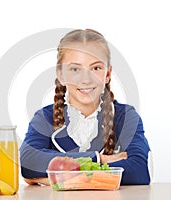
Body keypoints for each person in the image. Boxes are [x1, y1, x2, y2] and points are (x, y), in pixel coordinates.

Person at [19, 29, 152, 185]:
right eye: (75, 69)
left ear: (107, 74)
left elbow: (139, 170)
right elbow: (28, 162)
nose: (86, 79)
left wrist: (57, 178)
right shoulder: (44, 117)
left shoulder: (126, 116)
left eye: (96, 68)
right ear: (61, 75)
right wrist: (99, 159)